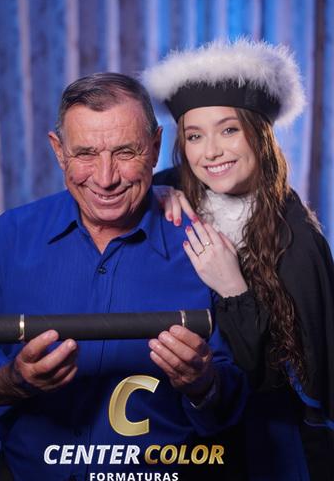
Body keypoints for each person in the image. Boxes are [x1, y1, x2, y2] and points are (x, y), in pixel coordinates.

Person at [0, 73, 248, 481]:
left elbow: (243, 389)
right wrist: (12, 380)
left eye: (125, 152)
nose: (105, 178)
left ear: (155, 148)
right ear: (58, 151)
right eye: (85, 153)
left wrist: (203, 384)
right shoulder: (10, 236)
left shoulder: (205, 249)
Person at [143, 39, 334, 481]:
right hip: (168, 432)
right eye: (195, 136)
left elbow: (273, 381)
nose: (210, 151)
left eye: (228, 130)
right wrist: (156, 191)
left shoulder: (299, 240)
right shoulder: (167, 193)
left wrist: (234, 289)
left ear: (260, 134)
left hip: (259, 449)